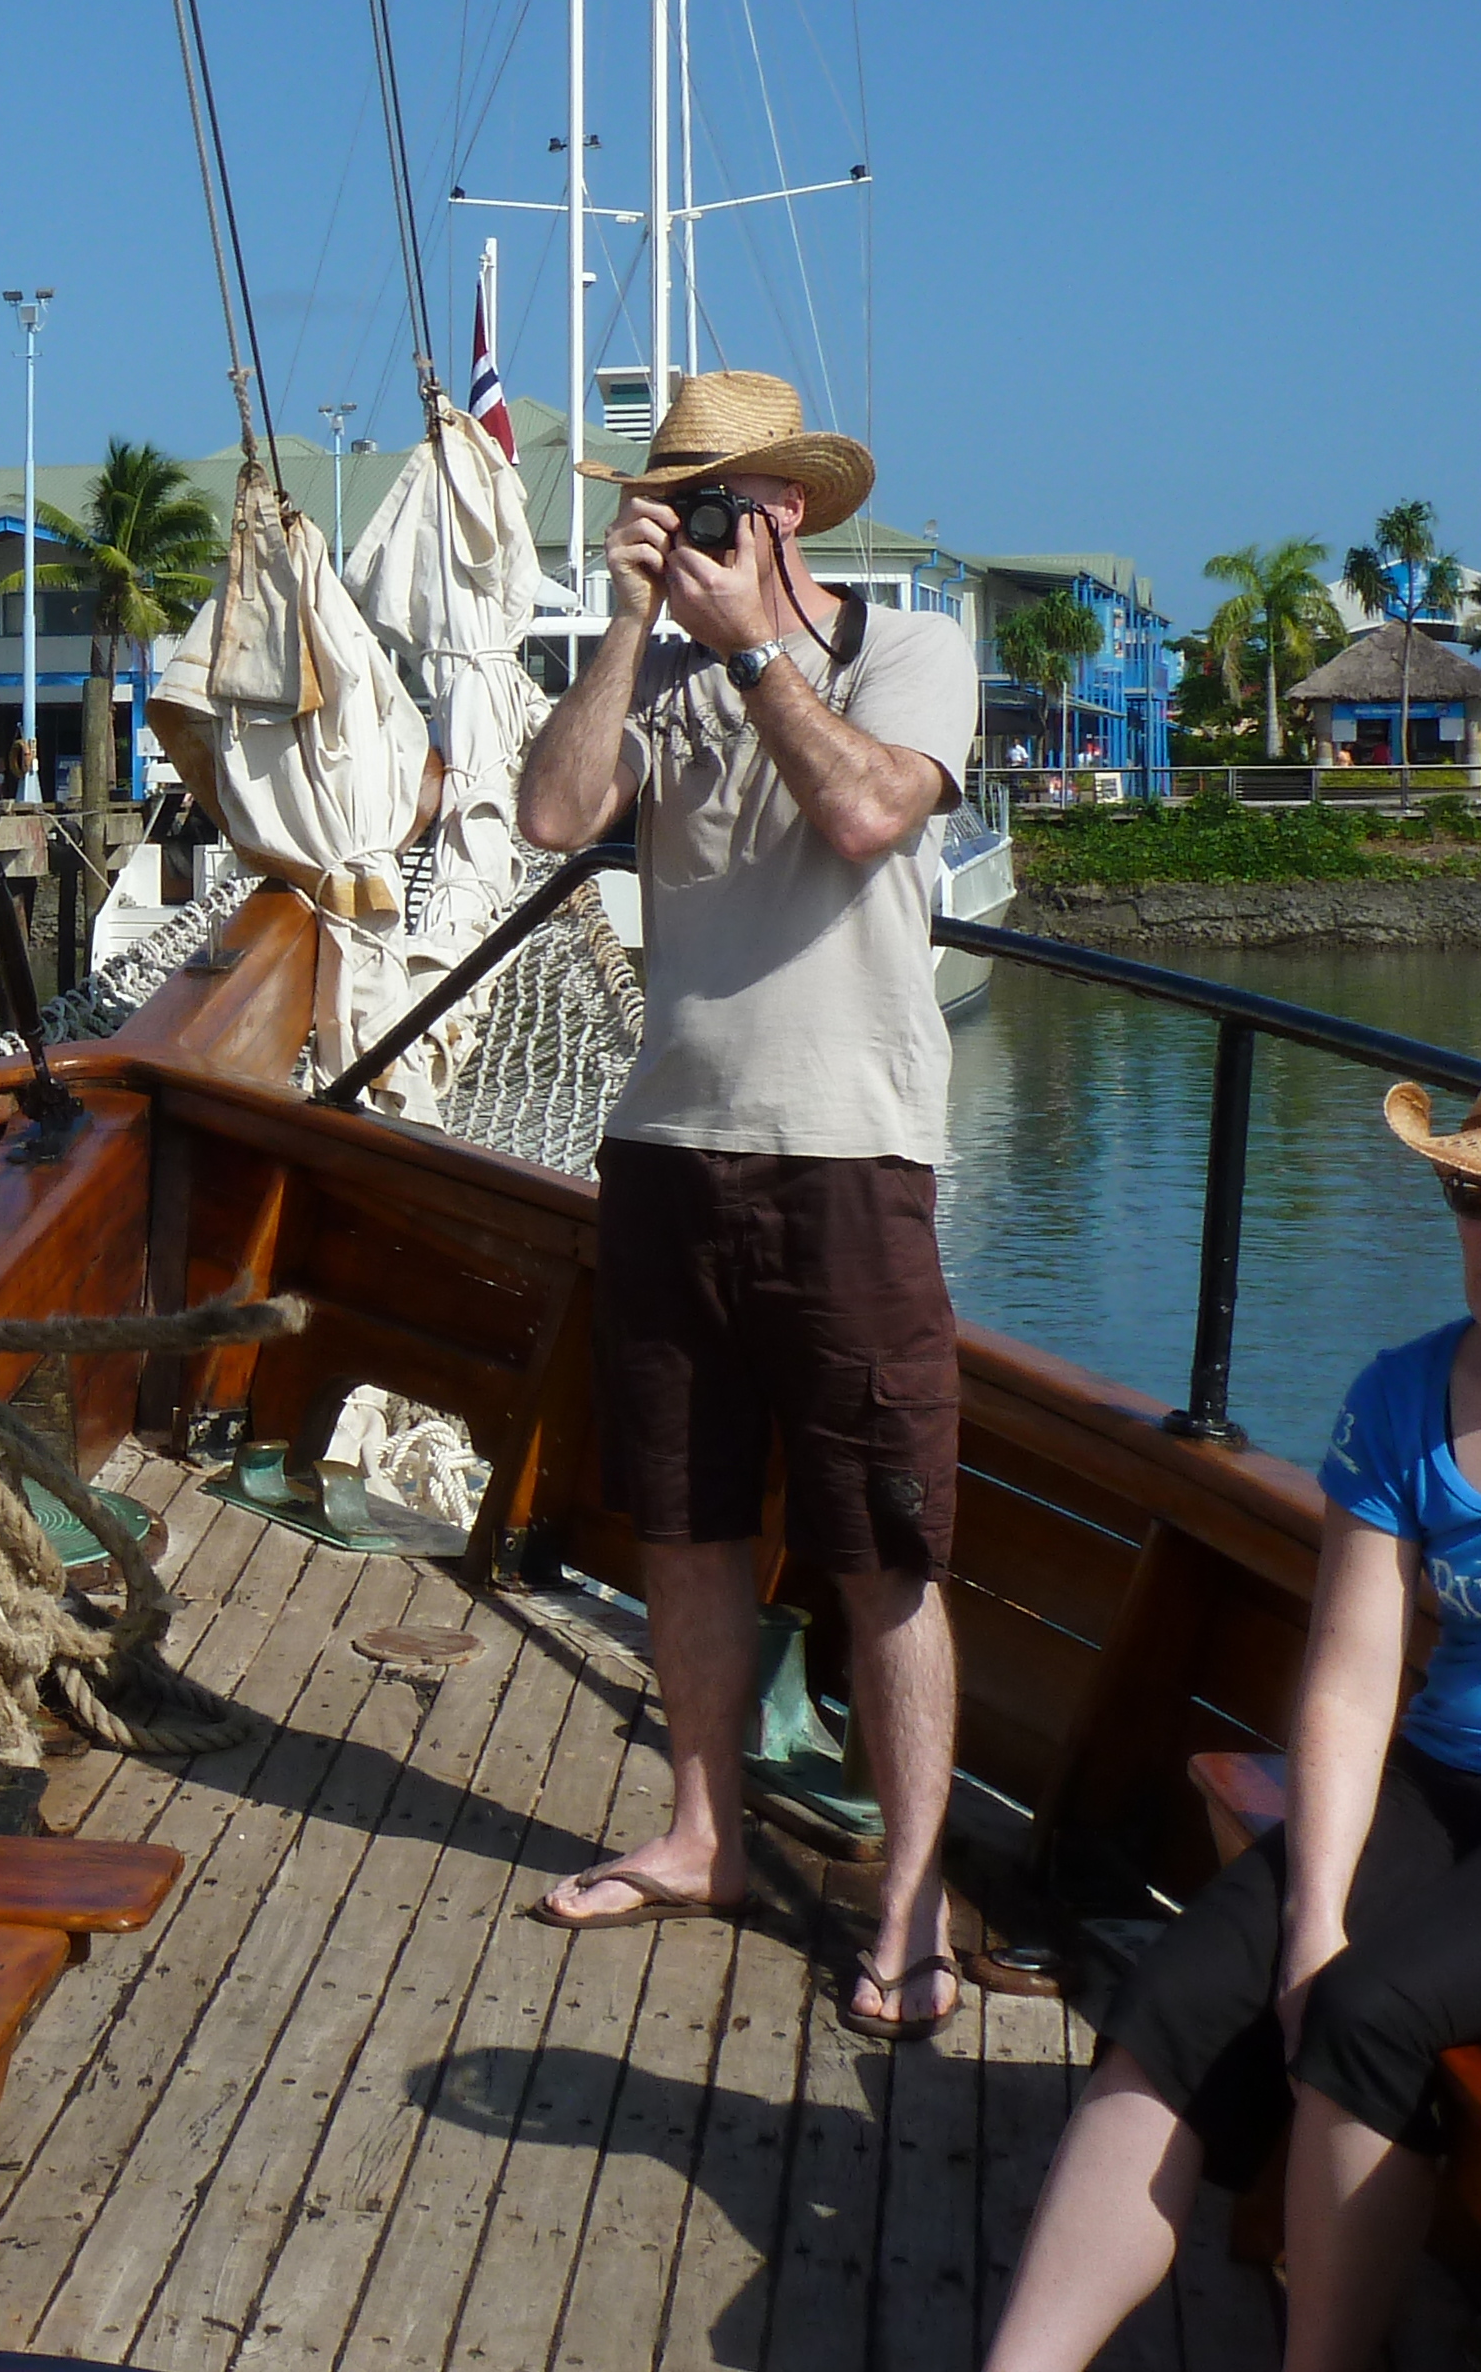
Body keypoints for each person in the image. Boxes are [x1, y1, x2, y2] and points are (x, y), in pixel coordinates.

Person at [513, 370, 982, 2039]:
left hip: (848, 1158)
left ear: (784, 509)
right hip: (665, 1150)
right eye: (678, 501)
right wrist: (632, 626)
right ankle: (702, 1833)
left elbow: (864, 813)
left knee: (887, 1550)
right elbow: (552, 815)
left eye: (723, 502)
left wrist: (758, 645)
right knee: (685, 1528)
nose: (703, 524)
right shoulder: (662, 666)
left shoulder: (907, 647)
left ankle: (915, 1902)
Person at [982, 1075, 1481, 2372]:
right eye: (1468, 1196)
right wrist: (1313, 1913)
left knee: (1369, 2012)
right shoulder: (1404, 1394)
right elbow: (1350, 1676)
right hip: (1440, 1780)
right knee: (1187, 1988)